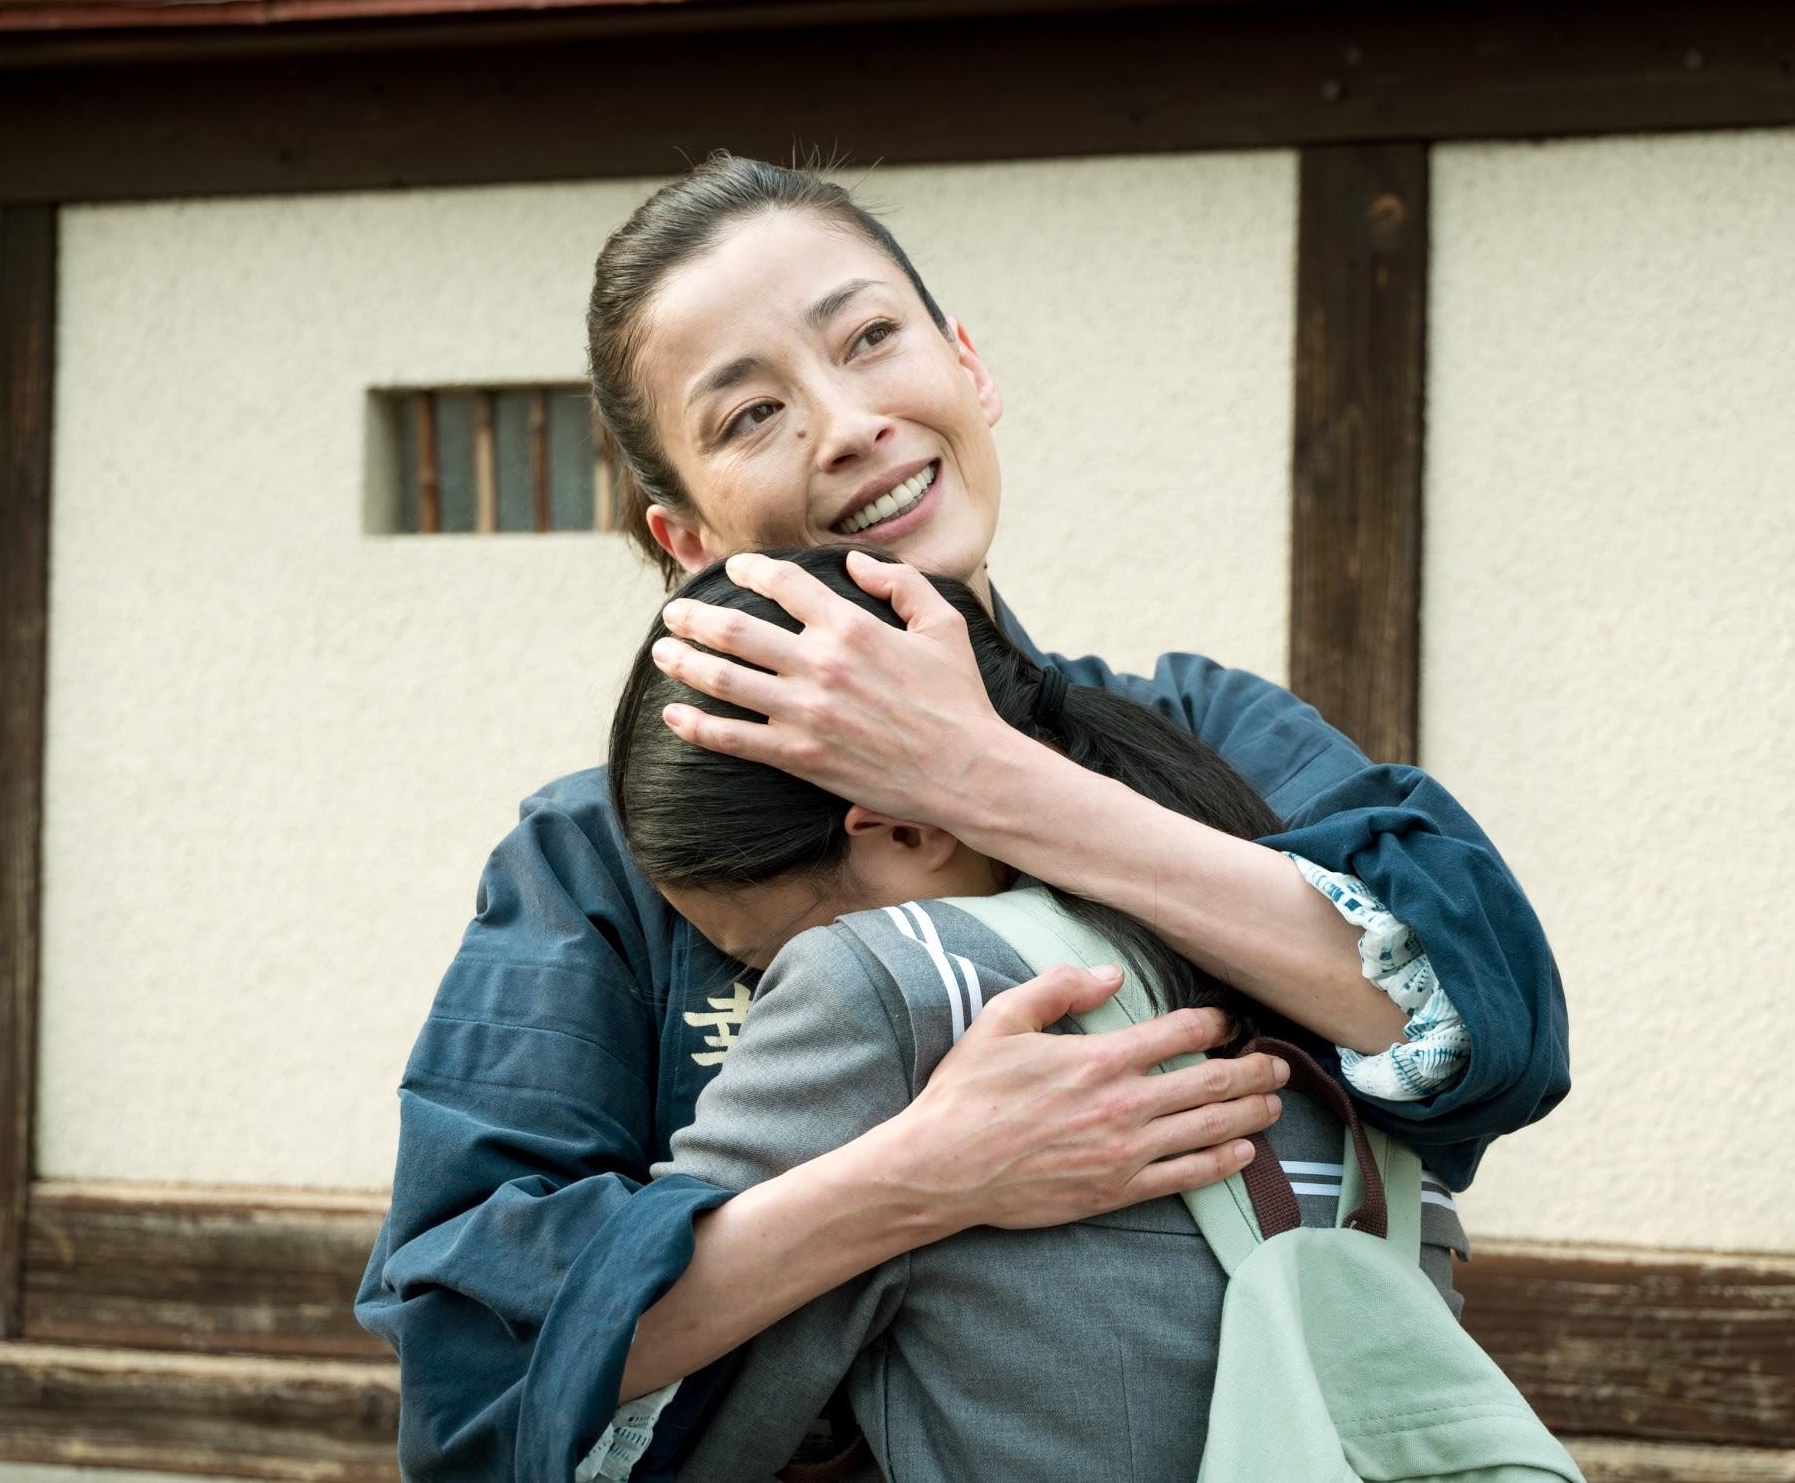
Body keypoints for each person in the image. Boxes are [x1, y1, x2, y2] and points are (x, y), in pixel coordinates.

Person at [354, 155, 1569, 1481]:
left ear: (969, 367)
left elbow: (1486, 1018)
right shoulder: (598, 853)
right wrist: (923, 1178)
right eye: (750, 413)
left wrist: (986, 778)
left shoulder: (1207, 731)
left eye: (870, 338)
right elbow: (476, 1362)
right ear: (686, 537)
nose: (846, 423)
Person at [611, 548, 1469, 1483]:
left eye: (767, 950)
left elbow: (636, 1396)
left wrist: (912, 1179)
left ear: (904, 830)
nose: (769, 981)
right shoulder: (1332, 963)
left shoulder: (889, 983)